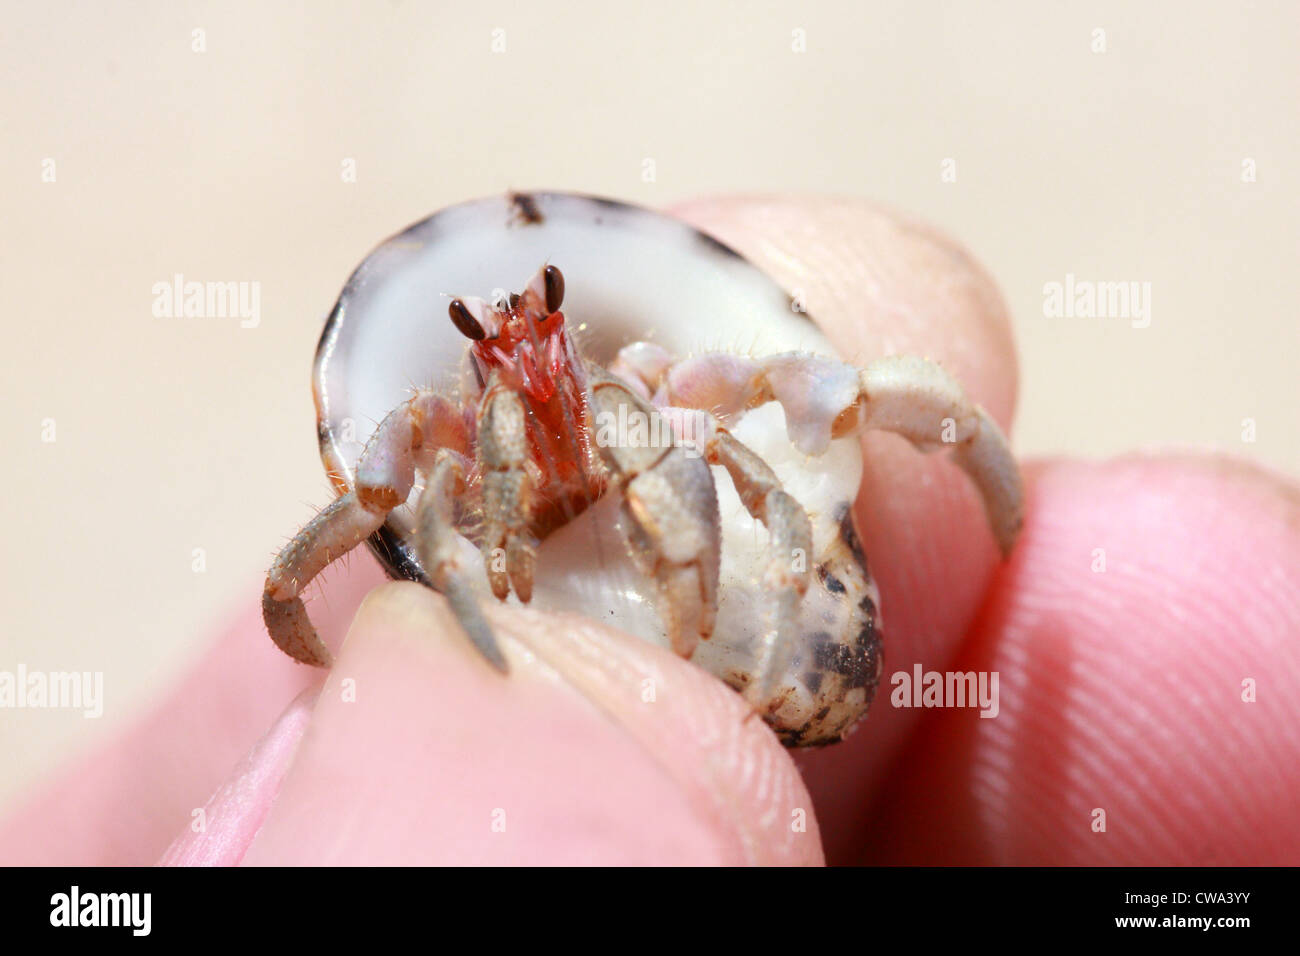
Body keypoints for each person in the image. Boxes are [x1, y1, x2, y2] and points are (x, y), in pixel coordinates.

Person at [3, 197, 1296, 865]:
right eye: (501, 357)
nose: (529, 363)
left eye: (539, 335)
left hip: (724, 591)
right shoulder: (459, 434)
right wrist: (317, 604)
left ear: (560, 325)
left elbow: (760, 414)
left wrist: (805, 508)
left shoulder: (626, 392)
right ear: (481, 367)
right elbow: (348, 538)